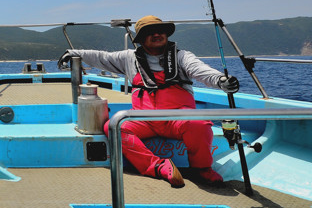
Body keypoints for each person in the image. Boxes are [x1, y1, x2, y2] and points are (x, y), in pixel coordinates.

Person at [60, 15, 238, 187]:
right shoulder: (129, 57)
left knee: (199, 124)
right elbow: (102, 57)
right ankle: (158, 167)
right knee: (113, 127)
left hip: (178, 118)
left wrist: (220, 81)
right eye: (149, 32)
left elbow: (201, 70)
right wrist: (73, 53)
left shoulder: (182, 56)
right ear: (141, 39)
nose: (156, 35)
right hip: (143, 119)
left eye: (160, 31)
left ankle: (202, 169)